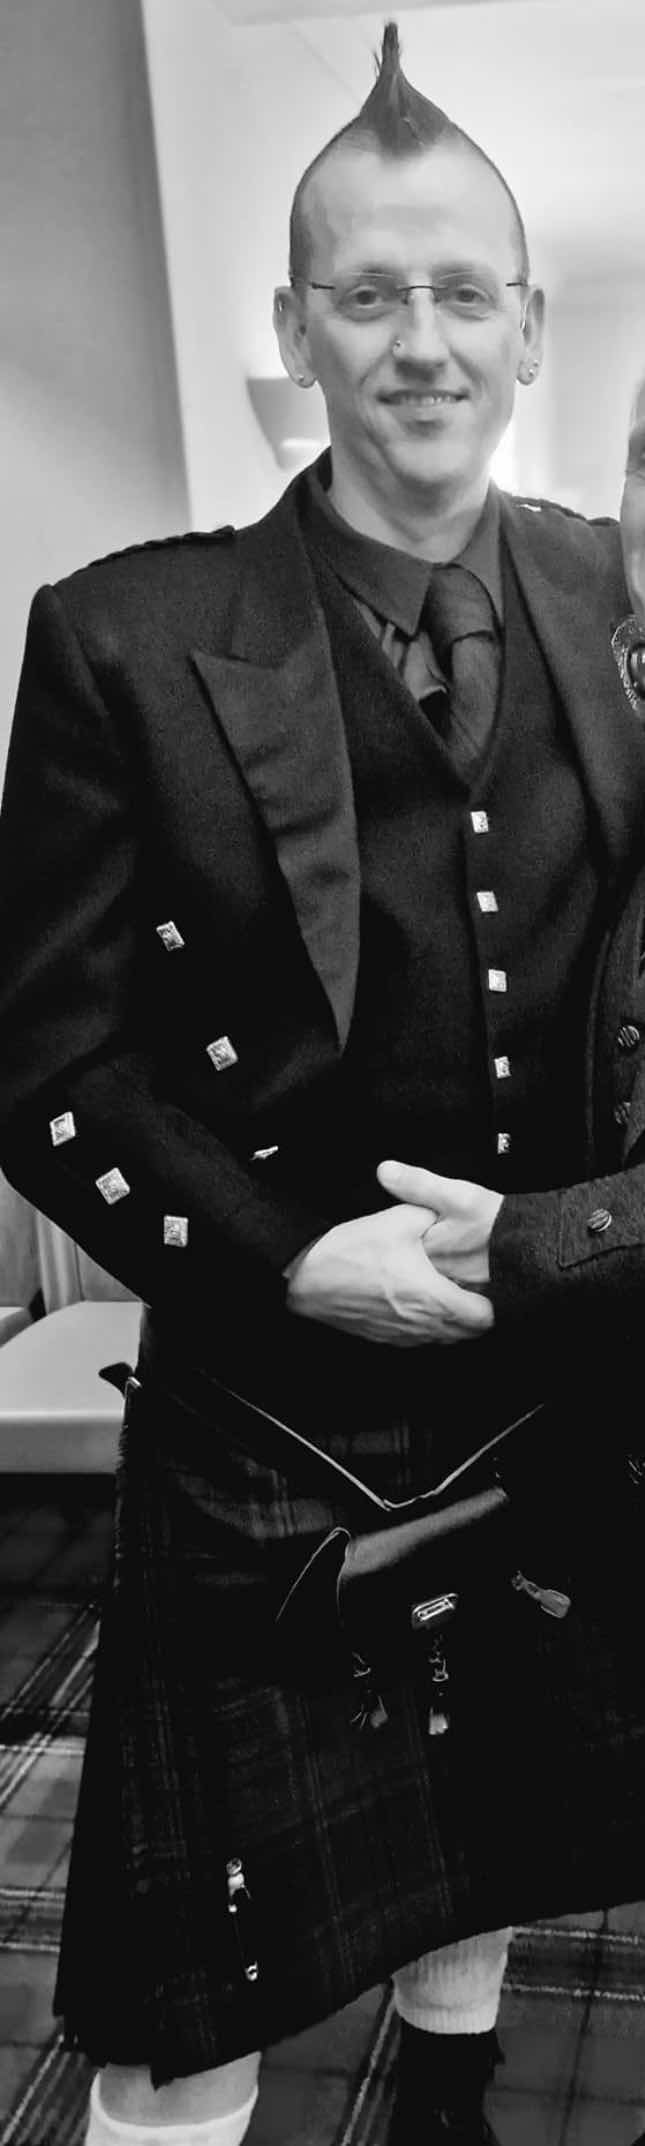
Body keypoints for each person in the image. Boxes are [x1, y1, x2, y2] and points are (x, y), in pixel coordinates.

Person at [2, 23, 645, 2146]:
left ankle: (443, 2104)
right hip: (269, 1399)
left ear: (526, 327)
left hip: (551, 1372)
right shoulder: (120, 638)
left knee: (492, 1837)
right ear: (295, 327)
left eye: (461, 290)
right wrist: (292, 1257)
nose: (418, 340)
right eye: (366, 292)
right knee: (186, 1989)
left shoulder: (618, 592)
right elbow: (50, 1053)